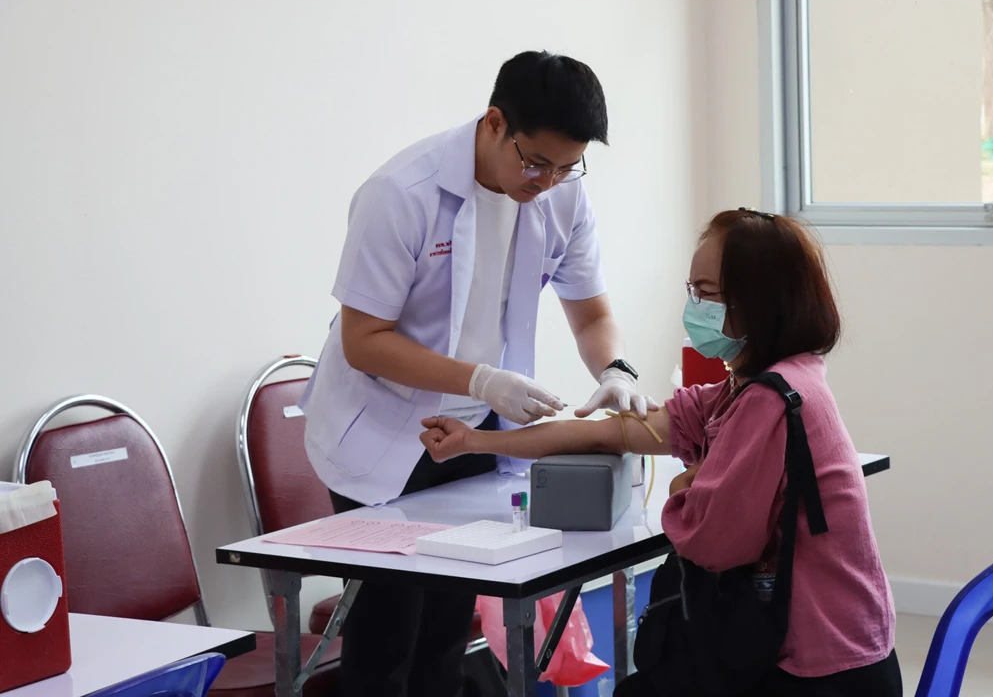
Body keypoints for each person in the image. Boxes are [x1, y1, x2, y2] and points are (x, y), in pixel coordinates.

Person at [420, 209, 902, 696]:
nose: (693, 306)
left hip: (820, 669)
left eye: (707, 293)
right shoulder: (761, 383)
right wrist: (478, 440)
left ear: (757, 301)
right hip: (823, 644)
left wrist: (680, 485)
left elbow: (711, 541)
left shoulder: (768, 399)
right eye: (690, 290)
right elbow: (607, 434)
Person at [297, 50, 656, 697]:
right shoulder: (400, 195)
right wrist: (482, 380)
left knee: (450, 625)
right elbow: (364, 341)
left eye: (567, 166)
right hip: (378, 431)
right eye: (535, 161)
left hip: (474, 434)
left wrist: (617, 369)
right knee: (389, 629)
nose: (547, 180)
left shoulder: (561, 194)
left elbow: (592, 311)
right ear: (494, 123)